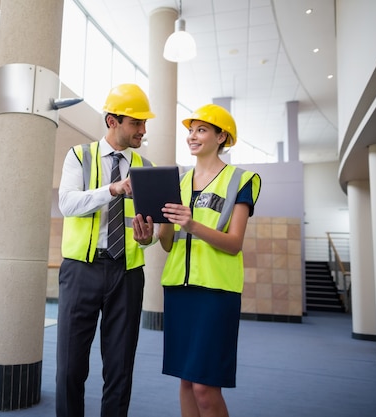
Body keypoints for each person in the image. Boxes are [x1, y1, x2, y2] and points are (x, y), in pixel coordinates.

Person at [134, 104, 261, 417]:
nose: (192, 136)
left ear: (222, 137)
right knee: (187, 383)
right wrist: (148, 235)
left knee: (205, 387)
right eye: (190, 130)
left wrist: (192, 225)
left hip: (216, 292)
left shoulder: (240, 180)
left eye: (201, 130)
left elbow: (234, 244)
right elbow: (166, 241)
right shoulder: (176, 182)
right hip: (179, 289)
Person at [56, 83, 157, 417]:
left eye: (145, 123)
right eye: (136, 123)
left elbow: (154, 228)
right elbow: (68, 204)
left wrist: (148, 239)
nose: (143, 130)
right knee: (71, 367)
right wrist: (111, 189)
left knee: (120, 367)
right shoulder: (79, 156)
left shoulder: (146, 165)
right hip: (80, 271)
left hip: (127, 274)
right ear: (112, 121)